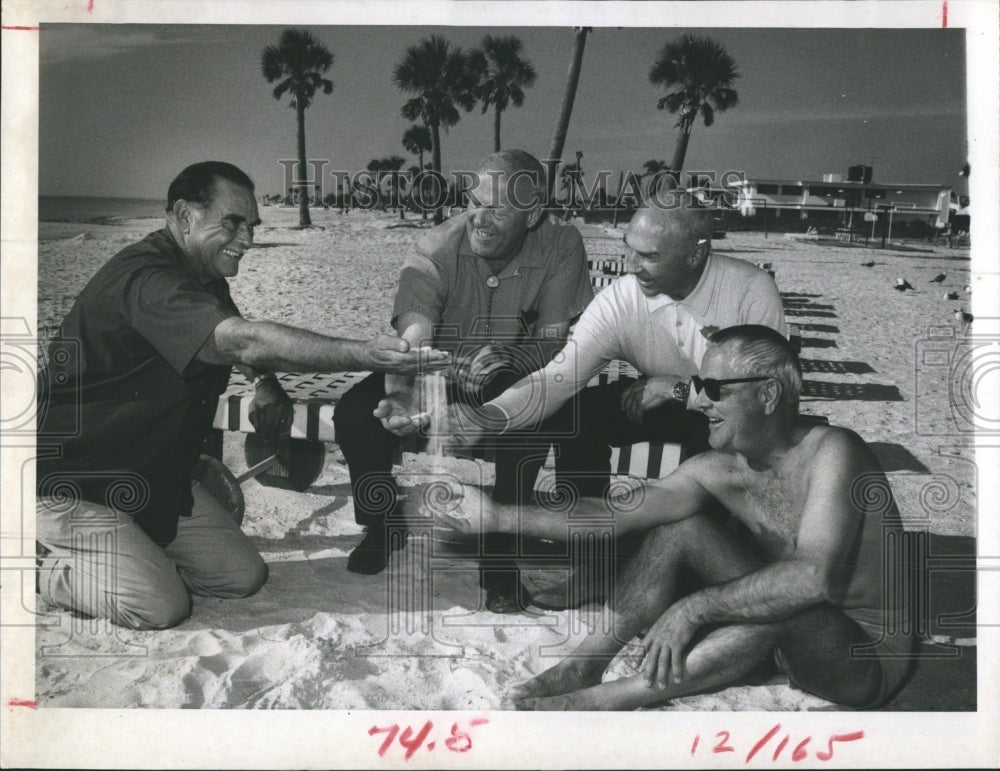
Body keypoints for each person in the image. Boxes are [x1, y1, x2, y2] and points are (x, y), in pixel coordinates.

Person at [35, 161, 448, 631]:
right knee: (161, 606)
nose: (247, 239)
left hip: (153, 478)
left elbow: (235, 332)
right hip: (74, 481)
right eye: (232, 222)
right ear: (185, 215)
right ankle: (38, 566)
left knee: (241, 578)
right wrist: (364, 354)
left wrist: (264, 383)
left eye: (251, 225)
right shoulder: (147, 277)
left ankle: (129, 557)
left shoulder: (204, 278)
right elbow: (240, 341)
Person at [435, 326, 915, 710]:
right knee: (681, 530)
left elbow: (813, 579)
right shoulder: (719, 469)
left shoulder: (834, 451)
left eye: (714, 389)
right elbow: (613, 514)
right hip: (775, 643)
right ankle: (583, 666)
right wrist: (498, 515)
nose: (699, 401)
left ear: (769, 395)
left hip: (862, 656)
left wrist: (694, 608)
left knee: (776, 597)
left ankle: (608, 699)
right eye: (699, 386)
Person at [452, 195, 787, 607]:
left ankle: (687, 571)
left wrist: (673, 388)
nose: (632, 265)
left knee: (715, 441)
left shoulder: (750, 288)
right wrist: (487, 416)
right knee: (579, 414)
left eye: (649, 255)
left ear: (696, 253)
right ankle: (593, 568)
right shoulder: (623, 298)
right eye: (629, 249)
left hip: (730, 418)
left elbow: (756, 397)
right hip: (654, 401)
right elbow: (558, 378)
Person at [333, 150, 593, 613]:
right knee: (355, 413)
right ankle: (381, 523)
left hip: (516, 371)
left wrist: (509, 358)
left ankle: (500, 555)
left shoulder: (562, 243)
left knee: (529, 419)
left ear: (533, 214)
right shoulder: (435, 248)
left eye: (498, 209)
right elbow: (413, 339)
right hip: (438, 367)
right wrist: (406, 395)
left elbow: (552, 341)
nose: (480, 218)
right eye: (475, 202)